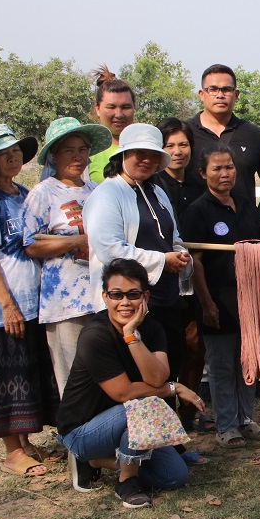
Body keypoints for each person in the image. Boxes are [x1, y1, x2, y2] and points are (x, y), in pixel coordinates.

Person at [57, 258, 205, 508]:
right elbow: (123, 392)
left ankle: (99, 461)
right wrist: (173, 388)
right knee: (142, 404)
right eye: (116, 295)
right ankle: (126, 480)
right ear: (105, 297)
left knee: (174, 476)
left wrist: (130, 335)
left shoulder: (153, 329)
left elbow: (157, 376)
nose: (124, 302)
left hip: (131, 423)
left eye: (132, 294)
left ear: (145, 296)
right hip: (83, 431)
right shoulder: (95, 336)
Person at [0, 124, 59, 476]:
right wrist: (6, 304)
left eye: (17, 150)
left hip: (31, 302)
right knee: (4, 375)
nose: (14, 156)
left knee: (26, 370)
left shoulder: (23, 193)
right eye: (5, 153)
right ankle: (11, 451)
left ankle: (26, 443)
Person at [83, 124, 193, 404]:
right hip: (128, 305)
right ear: (122, 155)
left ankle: (169, 444)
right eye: (138, 153)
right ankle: (139, 445)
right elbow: (109, 249)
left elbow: (174, 236)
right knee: (139, 381)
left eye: (153, 155)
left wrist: (180, 255)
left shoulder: (157, 192)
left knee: (167, 373)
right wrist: (161, 260)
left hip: (164, 300)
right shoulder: (107, 195)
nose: (146, 160)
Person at [183, 146, 260, 448]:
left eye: (229, 167)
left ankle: (246, 419)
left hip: (251, 298)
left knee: (248, 361)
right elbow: (196, 261)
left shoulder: (247, 205)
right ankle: (226, 425)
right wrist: (206, 302)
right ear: (202, 173)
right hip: (217, 299)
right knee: (221, 365)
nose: (225, 174)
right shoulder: (198, 210)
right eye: (217, 168)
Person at [22, 117, 112, 397]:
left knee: (105, 372)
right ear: (54, 155)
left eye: (82, 149)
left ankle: (102, 436)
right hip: (64, 300)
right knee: (73, 376)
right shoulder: (43, 193)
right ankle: (76, 435)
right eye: (69, 150)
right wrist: (73, 241)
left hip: (99, 296)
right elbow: (30, 245)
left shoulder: (96, 191)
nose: (77, 156)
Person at [149, 117, 211, 427]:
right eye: (169, 145)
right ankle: (163, 413)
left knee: (195, 345)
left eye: (183, 144)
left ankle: (188, 413)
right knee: (168, 347)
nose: (177, 151)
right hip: (163, 278)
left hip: (196, 275)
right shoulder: (154, 186)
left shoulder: (201, 184)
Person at [185, 64, 260, 206]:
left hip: (243, 224)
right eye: (213, 89)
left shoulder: (254, 135)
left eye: (226, 89)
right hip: (194, 225)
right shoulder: (185, 134)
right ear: (201, 94)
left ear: (236, 94)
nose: (220, 95)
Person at [86, 66, 136, 183]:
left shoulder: (146, 149)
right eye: (111, 107)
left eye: (125, 107)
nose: (119, 114)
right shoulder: (85, 152)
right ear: (97, 109)